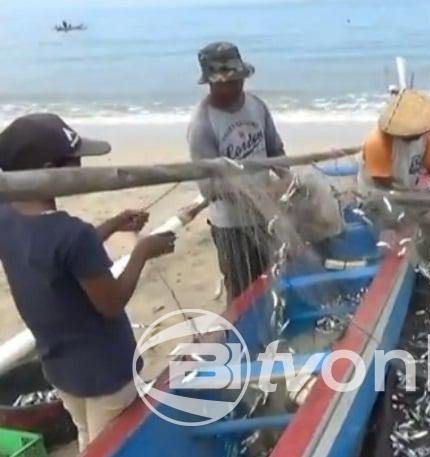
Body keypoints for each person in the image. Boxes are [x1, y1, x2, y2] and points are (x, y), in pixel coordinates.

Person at [0, 113, 175, 451]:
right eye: (76, 161)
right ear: (52, 169)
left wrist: (110, 226)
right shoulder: (72, 234)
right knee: (113, 445)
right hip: (106, 371)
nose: (83, 168)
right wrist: (141, 252)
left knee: (87, 435)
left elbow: (54, 259)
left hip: (60, 367)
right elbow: (110, 303)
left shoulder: (7, 216)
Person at [188, 41, 287, 302]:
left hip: (267, 216)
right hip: (232, 226)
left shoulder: (256, 106)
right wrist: (253, 193)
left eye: (237, 80)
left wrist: (286, 180)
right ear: (211, 83)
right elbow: (209, 187)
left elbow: (275, 150)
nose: (234, 86)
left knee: (275, 279)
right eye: (226, 82)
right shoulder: (202, 124)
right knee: (243, 292)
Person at [357, 89, 430, 268]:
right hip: (379, 197)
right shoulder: (377, 143)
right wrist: (425, 204)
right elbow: (386, 190)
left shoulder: (425, 137)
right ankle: (423, 261)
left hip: (406, 191)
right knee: (428, 218)